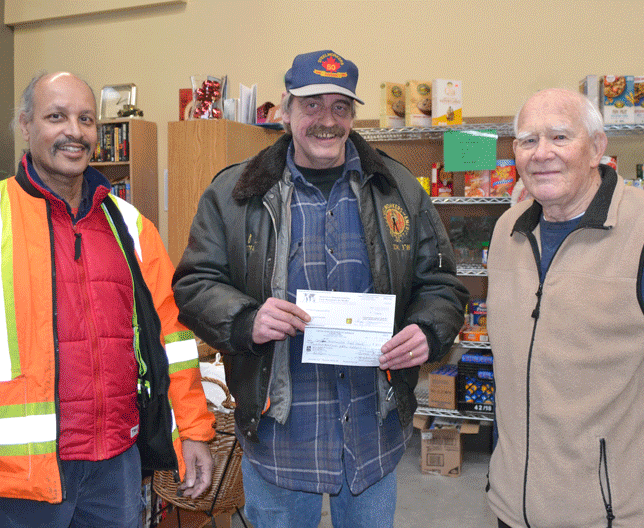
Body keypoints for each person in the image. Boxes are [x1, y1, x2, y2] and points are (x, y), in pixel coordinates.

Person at [171, 50, 469, 528]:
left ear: (353, 115)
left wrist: (428, 330)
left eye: (340, 107)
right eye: (311, 105)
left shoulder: (399, 190)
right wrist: (247, 319)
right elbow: (193, 283)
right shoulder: (234, 194)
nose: (326, 120)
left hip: (372, 431)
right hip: (280, 434)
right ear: (285, 113)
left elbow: (441, 282)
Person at [0, 71, 215, 528]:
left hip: (115, 470)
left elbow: (172, 343)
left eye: (86, 119)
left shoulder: (133, 228)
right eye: (56, 117)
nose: (74, 132)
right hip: (17, 482)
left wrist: (193, 429)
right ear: (25, 125)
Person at [485, 87, 644, 528]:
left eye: (560, 137)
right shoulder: (507, 232)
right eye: (527, 140)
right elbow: (512, 373)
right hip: (512, 509)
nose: (542, 154)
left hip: (618, 515)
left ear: (597, 148)